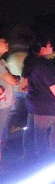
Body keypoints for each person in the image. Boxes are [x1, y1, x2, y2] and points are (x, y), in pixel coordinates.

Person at [22, 37, 55, 162]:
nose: (52, 48)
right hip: (44, 102)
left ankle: (29, 155)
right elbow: (51, 83)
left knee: (30, 130)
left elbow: (24, 85)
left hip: (33, 101)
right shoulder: (44, 64)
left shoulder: (31, 63)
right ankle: (43, 158)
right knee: (41, 132)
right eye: (49, 46)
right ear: (42, 49)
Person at [0, 36, 20, 164]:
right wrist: (15, 79)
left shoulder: (2, 61)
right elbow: (12, 80)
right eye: (3, 42)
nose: (7, 43)